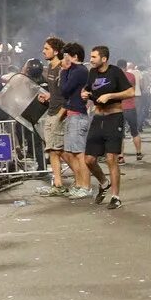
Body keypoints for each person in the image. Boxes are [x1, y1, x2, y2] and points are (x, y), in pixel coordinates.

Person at [83, 45, 135, 210]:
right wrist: (84, 93)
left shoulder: (115, 72)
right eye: (91, 57)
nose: (91, 60)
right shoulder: (92, 73)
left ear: (104, 59)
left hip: (114, 117)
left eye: (94, 57)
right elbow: (88, 89)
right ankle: (104, 183)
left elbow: (130, 92)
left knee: (111, 158)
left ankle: (115, 197)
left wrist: (111, 95)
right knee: (89, 160)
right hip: (98, 117)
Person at [55, 42, 95, 197]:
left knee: (79, 154)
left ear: (75, 56)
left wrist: (64, 71)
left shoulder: (78, 71)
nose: (64, 60)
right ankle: (79, 184)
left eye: (66, 56)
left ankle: (86, 186)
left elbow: (64, 90)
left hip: (78, 115)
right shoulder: (76, 70)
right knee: (70, 153)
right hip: (73, 114)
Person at [38, 38, 72, 194]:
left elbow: (67, 95)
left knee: (60, 151)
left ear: (56, 51)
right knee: (54, 150)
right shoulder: (50, 68)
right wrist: (48, 98)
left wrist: (60, 114)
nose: (43, 51)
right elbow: (57, 93)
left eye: (46, 48)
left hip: (58, 114)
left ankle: (81, 179)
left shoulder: (61, 69)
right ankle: (58, 184)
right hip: (52, 112)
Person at [121, 61, 145, 162]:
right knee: (134, 131)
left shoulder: (114, 77)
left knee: (120, 134)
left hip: (119, 108)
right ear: (125, 67)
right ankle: (138, 153)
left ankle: (121, 157)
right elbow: (133, 90)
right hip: (131, 107)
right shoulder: (131, 76)